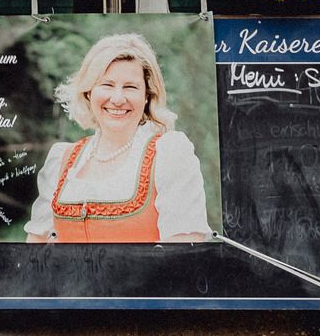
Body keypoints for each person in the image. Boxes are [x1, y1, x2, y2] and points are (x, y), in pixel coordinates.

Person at [24, 31, 209, 243]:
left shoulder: (170, 154)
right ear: (88, 91)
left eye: (130, 87)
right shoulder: (62, 159)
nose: (118, 98)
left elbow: (185, 257)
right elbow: (35, 249)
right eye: (107, 85)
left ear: (147, 96)